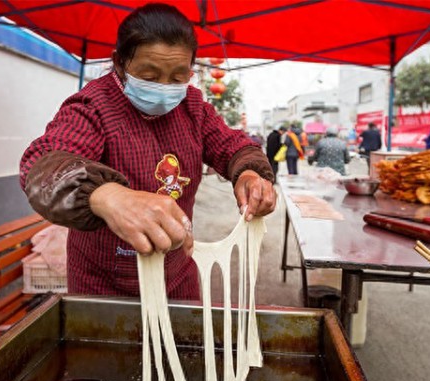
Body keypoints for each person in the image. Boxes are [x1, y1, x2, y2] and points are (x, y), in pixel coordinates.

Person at [19, 3, 276, 300]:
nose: (165, 87)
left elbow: (233, 145)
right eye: (150, 77)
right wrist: (108, 196)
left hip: (176, 274)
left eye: (178, 77)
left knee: (181, 344)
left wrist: (249, 172)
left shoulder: (193, 109)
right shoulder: (94, 107)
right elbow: (43, 164)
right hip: (104, 284)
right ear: (119, 63)